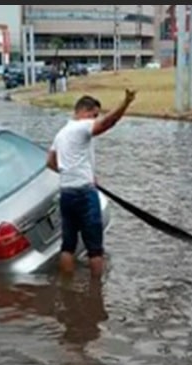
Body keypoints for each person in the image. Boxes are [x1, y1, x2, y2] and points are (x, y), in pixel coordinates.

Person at [46, 89, 136, 278]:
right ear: (84, 112)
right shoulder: (81, 127)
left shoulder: (61, 134)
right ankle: (97, 293)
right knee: (95, 249)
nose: (94, 119)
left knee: (68, 245)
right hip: (84, 194)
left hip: (67, 193)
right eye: (93, 115)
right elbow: (108, 122)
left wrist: (69, 172)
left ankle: (67, 286)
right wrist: (126, 102)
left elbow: (50, 162)